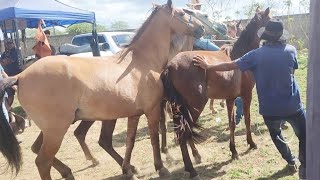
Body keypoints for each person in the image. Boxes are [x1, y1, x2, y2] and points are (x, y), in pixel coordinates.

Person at [193, 19, 306, 179]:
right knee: (305, 136)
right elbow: (292, 71)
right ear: (281, 35)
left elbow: (229, 65)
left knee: (277, 136)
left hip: (270, 110)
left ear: (265, 36)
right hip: (294, 106)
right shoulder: (291, 50)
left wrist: (208, 66)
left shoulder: (255, 55)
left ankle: (290, 159)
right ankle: (305, 162)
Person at [0, 39, 21, 106]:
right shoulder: (5, 53)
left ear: (13, 43)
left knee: (11, 93)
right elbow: (2, 62)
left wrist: (4, 62)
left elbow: (9, 61)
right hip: (6, 75)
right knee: (8, 93)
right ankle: (7, 107)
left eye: (10, 43)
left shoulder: (15, 52)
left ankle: (8, 108)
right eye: (7, 43)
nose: (8, 45)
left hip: (14, 75)